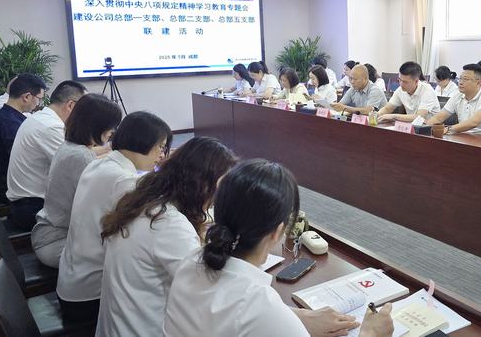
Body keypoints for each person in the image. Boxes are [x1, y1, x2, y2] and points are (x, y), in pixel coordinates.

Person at [164, 159, 394, 337]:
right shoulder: (257, 304)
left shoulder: (192, 260)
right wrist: (371, 333)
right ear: (278, 231)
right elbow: (256, 314)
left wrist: (296, 317)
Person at [96, 137, 237, 336]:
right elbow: (209, 293)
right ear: (201, 184)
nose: (217, 198)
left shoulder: (146, 199)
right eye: (219, 188)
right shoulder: (169, 224)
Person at [57, 111, 171, 324]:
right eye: (161, 147)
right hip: (91, 296)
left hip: (71, 284)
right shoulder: (123, 180)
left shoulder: (99, 164)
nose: (162, 155)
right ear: (141, 142)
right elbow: (154, 230)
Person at [31, 94, 122, 268]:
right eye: (111, 126)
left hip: (50, 234)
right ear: (98, 126)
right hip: (58, 242)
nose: (112, 132)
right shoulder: (80, 156)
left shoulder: (71, 147)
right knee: (127, 255)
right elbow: (99, 207)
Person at [6, 80, 87, 230]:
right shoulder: (50, 127)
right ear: (71, 105)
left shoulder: (41, 118)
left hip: (26, 203)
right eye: (84, 108)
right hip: (32, 209)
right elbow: (77, 162)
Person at [0, 74, 46, 205]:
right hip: (9, 189)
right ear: (27, 97)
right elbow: (25, 161)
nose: (39, 103)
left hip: (4, 182)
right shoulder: (10, 123)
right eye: (39, 99)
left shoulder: (4, 115)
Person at [426, 64, 481, 136]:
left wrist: (448, 129)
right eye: (460, 78)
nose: (460, 82)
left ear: (478, 82)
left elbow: (474, 122)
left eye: (465, 79)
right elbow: (438, 118)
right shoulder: (457, 95)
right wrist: (424, 128)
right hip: (464, 136)